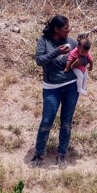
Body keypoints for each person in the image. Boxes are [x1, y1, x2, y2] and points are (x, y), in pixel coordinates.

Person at [30, 15, 79, 167]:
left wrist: (81, 61)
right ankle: (39, 155)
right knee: (46, 121)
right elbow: (39, 61)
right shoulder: (44, 41)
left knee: (66, 122)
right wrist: (57, 52)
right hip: (51, 88)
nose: (69, 30)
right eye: (66, 28)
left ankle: (62, 155)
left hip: (71, 86)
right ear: (56, 29)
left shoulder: (71, 42)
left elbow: (82, 57)